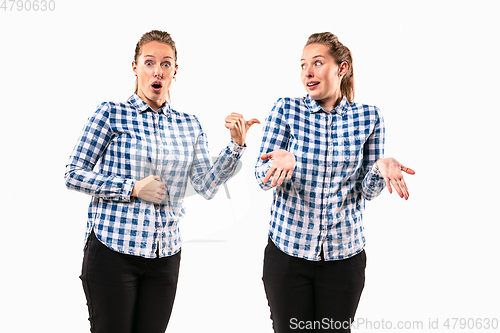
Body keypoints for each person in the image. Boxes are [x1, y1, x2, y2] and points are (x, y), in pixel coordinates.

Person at [65, 30, 259, 333]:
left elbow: (206, 185)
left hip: (164, 255)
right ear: (135, 67)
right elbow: (73, 173)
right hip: (113, 253)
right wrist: (132, 188)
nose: (158, 71)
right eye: (149, 62)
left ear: (175, 71)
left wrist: (235, 145)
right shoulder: (111, 114)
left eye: (166, 64)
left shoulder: (189, 124)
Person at [255, 32, 415, 332]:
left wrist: (380, 169)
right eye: (303, 65)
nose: (308, 72)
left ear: (342, 68)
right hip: (289, 256)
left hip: (344, 258)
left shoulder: (369, 117)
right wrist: (284, 162)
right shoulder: (286, 109)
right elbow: (260, 179)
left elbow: (365, 190)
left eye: (317, 63)